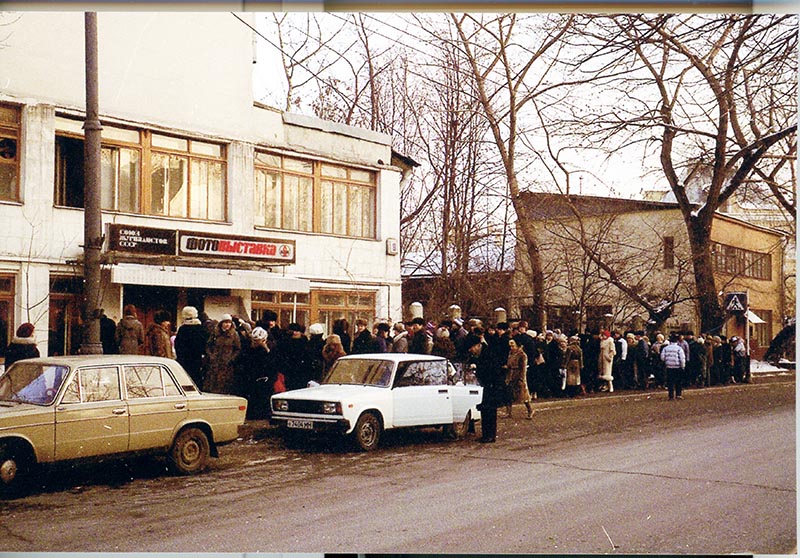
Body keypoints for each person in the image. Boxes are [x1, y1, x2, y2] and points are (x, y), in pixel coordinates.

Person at [467, 331, 504, 443]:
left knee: (490, 411)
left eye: (472, 348)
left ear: (478, 345)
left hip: (491, 386)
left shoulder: (488, 354)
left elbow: (491, 371)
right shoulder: (481, 354)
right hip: (485, 386)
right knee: (484, 410)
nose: (471, 350)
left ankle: (490, 435)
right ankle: (486, 434)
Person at [233, 326, 276, 419]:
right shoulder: (248, 348)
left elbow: (273, 363)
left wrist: (266, 349)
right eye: (254, 341)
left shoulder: (271, 348)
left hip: (264, 377)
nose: (255, 343)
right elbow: (241, 360)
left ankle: (262, 414)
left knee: (263, 395)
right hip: (250, 375)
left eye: (257, 341)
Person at [204, 314, 241, 394]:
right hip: (215, 363)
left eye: (229, 322)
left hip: (226, 364)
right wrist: (211, 355)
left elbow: (237, 349)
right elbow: (208, 345)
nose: (227, 324)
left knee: (224, 385)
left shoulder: (234, 335)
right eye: (225, 322)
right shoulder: (215, 333)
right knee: (213, 384)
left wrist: (231, 358)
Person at [174, 306, 208, 389]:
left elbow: (177, 344)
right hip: (197, 358)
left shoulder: (182, 329)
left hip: (184, 359)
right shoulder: (201, 328)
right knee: (196, 378)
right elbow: (205, 344)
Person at [505, 338, 533, 419]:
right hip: (510, 374)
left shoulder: (522, 355)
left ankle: (530, 410)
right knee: (508, 393)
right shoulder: (510, 353)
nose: (511, 347)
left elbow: (523, 368)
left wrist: (522, 378)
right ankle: (508, 412)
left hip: (518, 375)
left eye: (512, 345)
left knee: (523, 395)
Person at [661, 332, 686, 400]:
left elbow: (662, 357)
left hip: (669, 367)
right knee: (678, 381)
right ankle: (678, 394)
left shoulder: (666, 348)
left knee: (670, 381)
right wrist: (683, 366)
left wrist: (666, 362)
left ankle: (671, 395)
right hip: (677, 367)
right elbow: (682, 358)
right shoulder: (679, 349)